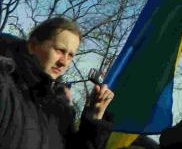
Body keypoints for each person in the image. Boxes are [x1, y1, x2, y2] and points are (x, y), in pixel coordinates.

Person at [0, 16, 114, 149]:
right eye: (59, 50)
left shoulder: (61, 110)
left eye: (70, 55)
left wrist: (94, 118)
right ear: (32, 46)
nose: (63, 62)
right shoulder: (5, 86)